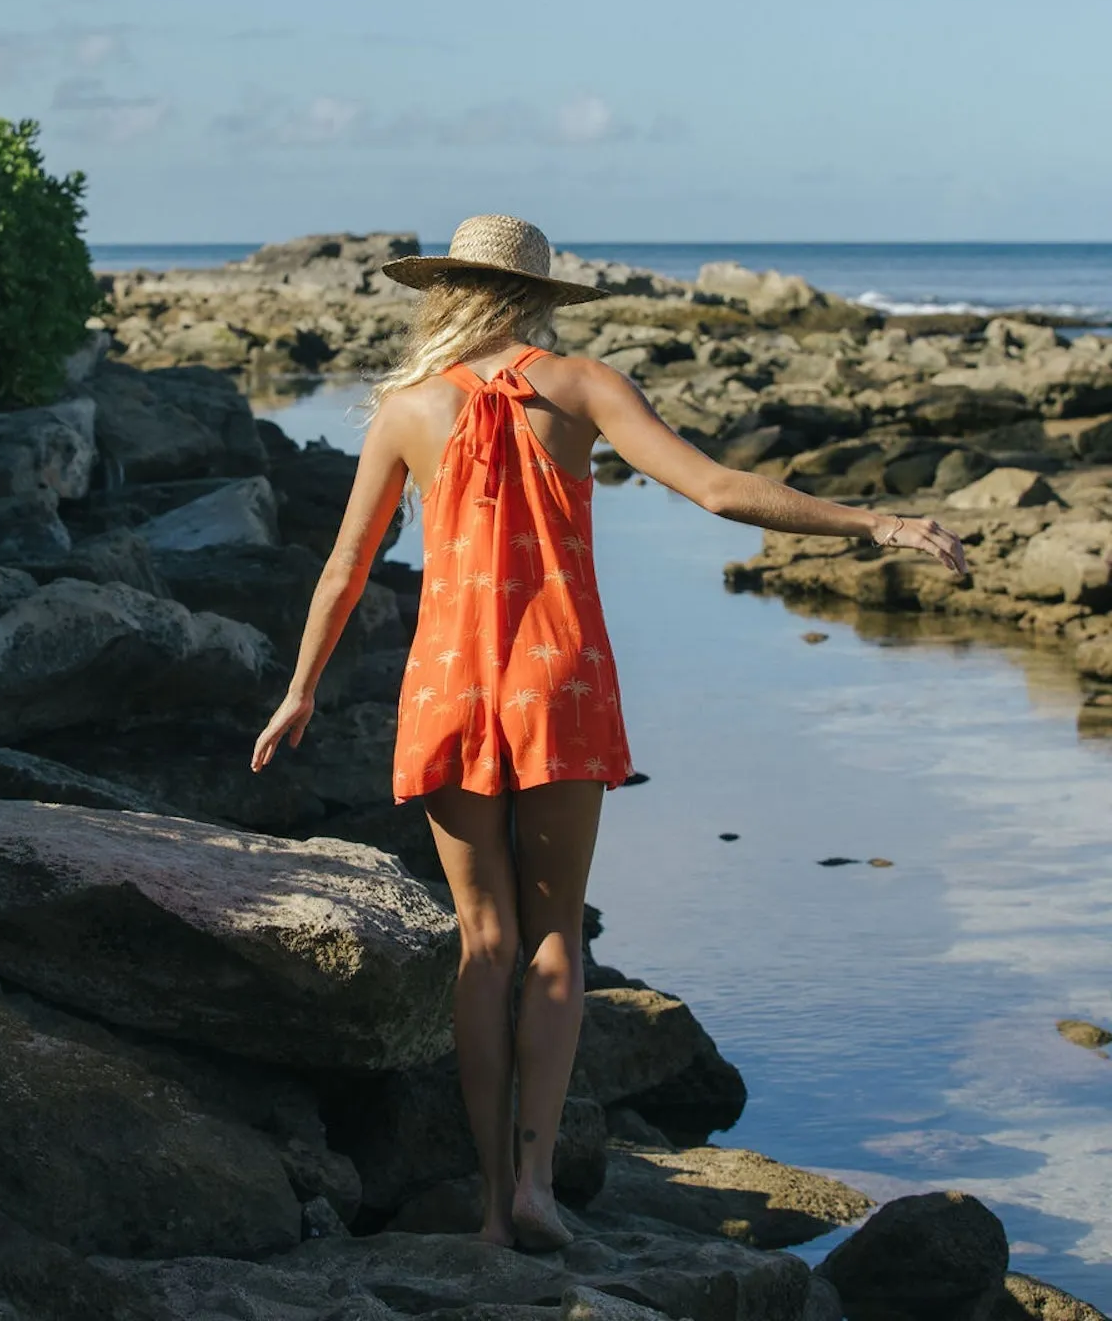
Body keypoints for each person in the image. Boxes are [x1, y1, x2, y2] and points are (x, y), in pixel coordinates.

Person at [250, 213, 966, 1251]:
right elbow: (718, 490)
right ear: (537, 297)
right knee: (552, 941)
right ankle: (538, 1182)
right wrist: (879, 523)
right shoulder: (580, 386)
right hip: (557, 684)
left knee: (481, 944)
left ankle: (495, 1211)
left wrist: (300, 690)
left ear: (444, 292)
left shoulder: (405, 410)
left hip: (447, 691)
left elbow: (343, 569)